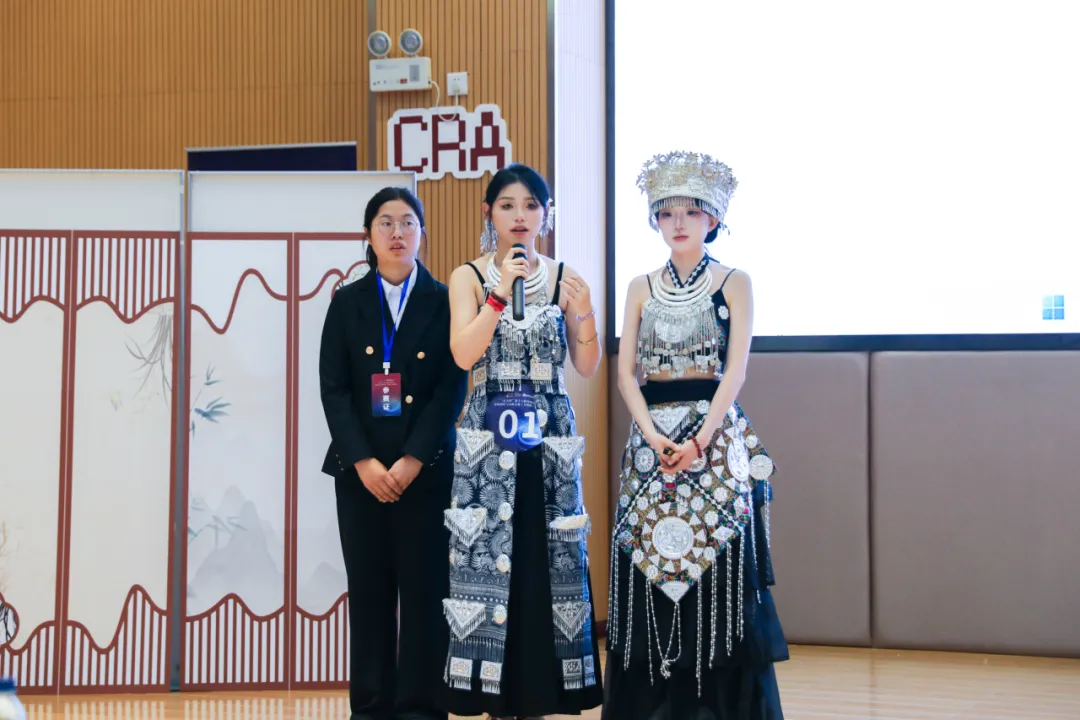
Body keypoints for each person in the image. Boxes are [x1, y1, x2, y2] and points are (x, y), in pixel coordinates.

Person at [604, 152, 788, 720]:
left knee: (717, 560)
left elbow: (736, 371)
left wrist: (700, 440)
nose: (678, 222)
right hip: (651, 443)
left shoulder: (735, 282)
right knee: (650, 560)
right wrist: (651, 435)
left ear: (713, 218)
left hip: (714, 440)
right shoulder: (639, 286)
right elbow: (626, 375)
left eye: (690, 211)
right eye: (666, 212)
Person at [439, 164, 604, 719]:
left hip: (549, 439)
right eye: (507, 205)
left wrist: (584, 312)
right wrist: (495, 297)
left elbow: (586, 364)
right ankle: (491, 694)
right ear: (489, 212)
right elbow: (463, 355)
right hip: (487, 440)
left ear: (545, 215)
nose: (519, 216)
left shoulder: (563, 278)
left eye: (531, 205)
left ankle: (540, 693)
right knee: (489, 557)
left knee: (542, 555)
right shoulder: (468, 276)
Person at [319, 187, 468, 720]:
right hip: (359, 474)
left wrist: (411, 460)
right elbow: (333, 389)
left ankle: (421, 709)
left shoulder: (445, 300)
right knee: (369, 593)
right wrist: (364, 462)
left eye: (408, 222)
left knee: (425, 593)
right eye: (386, 223)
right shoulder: (346, 301)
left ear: (423, 233)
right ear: (368, 234)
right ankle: (371, 707)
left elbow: (451, 388)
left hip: (425, 472)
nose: (398, 232)